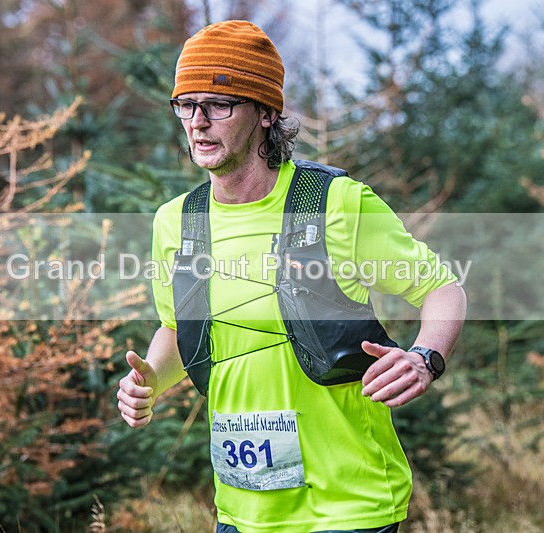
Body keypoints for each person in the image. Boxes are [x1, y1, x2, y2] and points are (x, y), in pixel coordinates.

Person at [116, 19, 467, 533]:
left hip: (349, 505)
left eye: (219, 104)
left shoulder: (333, 204)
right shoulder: (177, 222)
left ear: (266, 113)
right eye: (186, 104)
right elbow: (177, 330)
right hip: (242, 509)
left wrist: (425, 357)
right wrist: (149, 381)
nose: (198, 121)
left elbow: (442, 288)